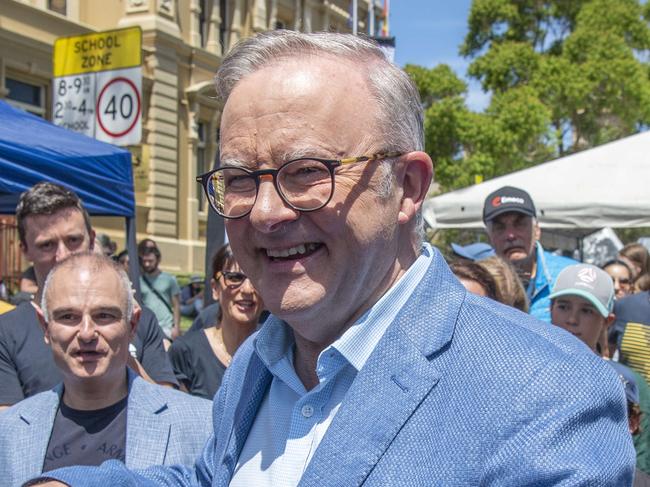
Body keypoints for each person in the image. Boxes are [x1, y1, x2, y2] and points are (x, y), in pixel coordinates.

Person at [33, 31, 634, 486]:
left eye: (306, 173)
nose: (265, 212)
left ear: (407, 187)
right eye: (240, 180)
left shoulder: (546, 391)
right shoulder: (263, 360)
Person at [0, 253, 212, 486]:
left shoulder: (200, 423)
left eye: (104, 316)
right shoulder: (9, 432)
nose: (87, 333)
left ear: (132, 324)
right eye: (68, 317)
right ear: (45, 327)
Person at [0, 182, 178, 411]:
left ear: (92, 239)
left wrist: (121, 340)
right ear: (25, 250)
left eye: (73, 240)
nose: (62, 255)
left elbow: (168, 412)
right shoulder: (6, 332)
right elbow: (7, 433)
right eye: (47, 245)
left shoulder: (139, 319)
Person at [549, 263, 650, 475]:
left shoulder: (627, 383)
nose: (572, 320)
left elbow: (640, 461)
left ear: (608, 321)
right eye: (563, 306)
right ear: (550, 309)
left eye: (587, 310)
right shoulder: (523, 372)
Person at [169, 244, 263, 399]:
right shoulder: (186, 353)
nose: (247, 289)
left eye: (255, 277)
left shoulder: (278, 355)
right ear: (214, 289)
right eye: (234, 277)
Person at [482, 185, 577, 322]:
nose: (510, 235)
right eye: (499, 227)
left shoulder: (569, 276)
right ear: (489, 237)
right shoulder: (480, 284)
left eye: (520, 224)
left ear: (537, 230)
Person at [138, 243, 181, 341]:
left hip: (167, 327)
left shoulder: (169, 279)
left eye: (150, 261)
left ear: (158, 260)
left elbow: (177, 305)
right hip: (147, 326)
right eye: (144, 261)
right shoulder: (139, 281)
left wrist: (176, 327)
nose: (147, 264)